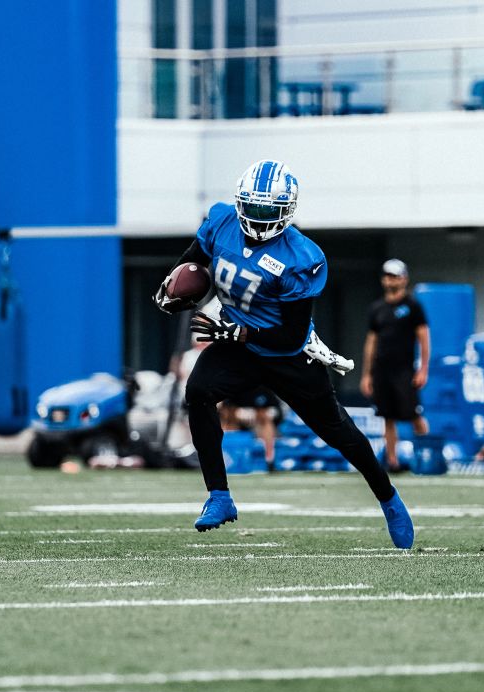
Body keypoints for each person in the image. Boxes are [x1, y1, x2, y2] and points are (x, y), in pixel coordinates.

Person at [154, 159, 414, 549]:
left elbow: (289, 334)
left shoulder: (301, 257)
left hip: (287, 353)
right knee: (199, 394)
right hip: (237, 341)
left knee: (339, 432)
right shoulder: (221, 221)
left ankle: (388, 498)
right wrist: (175, 288)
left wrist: (237, 330)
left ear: (287, 211)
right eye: (253, 208)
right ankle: (219, 496)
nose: (258, 219)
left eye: (267, 211)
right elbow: (193, 261)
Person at [360, 259, 430, 473]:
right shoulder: (377, 309)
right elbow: (371, 343)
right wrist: (366, 374)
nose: (391, 280)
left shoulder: (413, 307)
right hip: (382, 371)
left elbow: (424, 338)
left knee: (414, 416)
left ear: (404, 279)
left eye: (396, 276)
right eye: (388, 276)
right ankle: (393, 462)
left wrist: (423, 369)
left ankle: (427, 458)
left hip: (405, 370)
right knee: (387, 418)